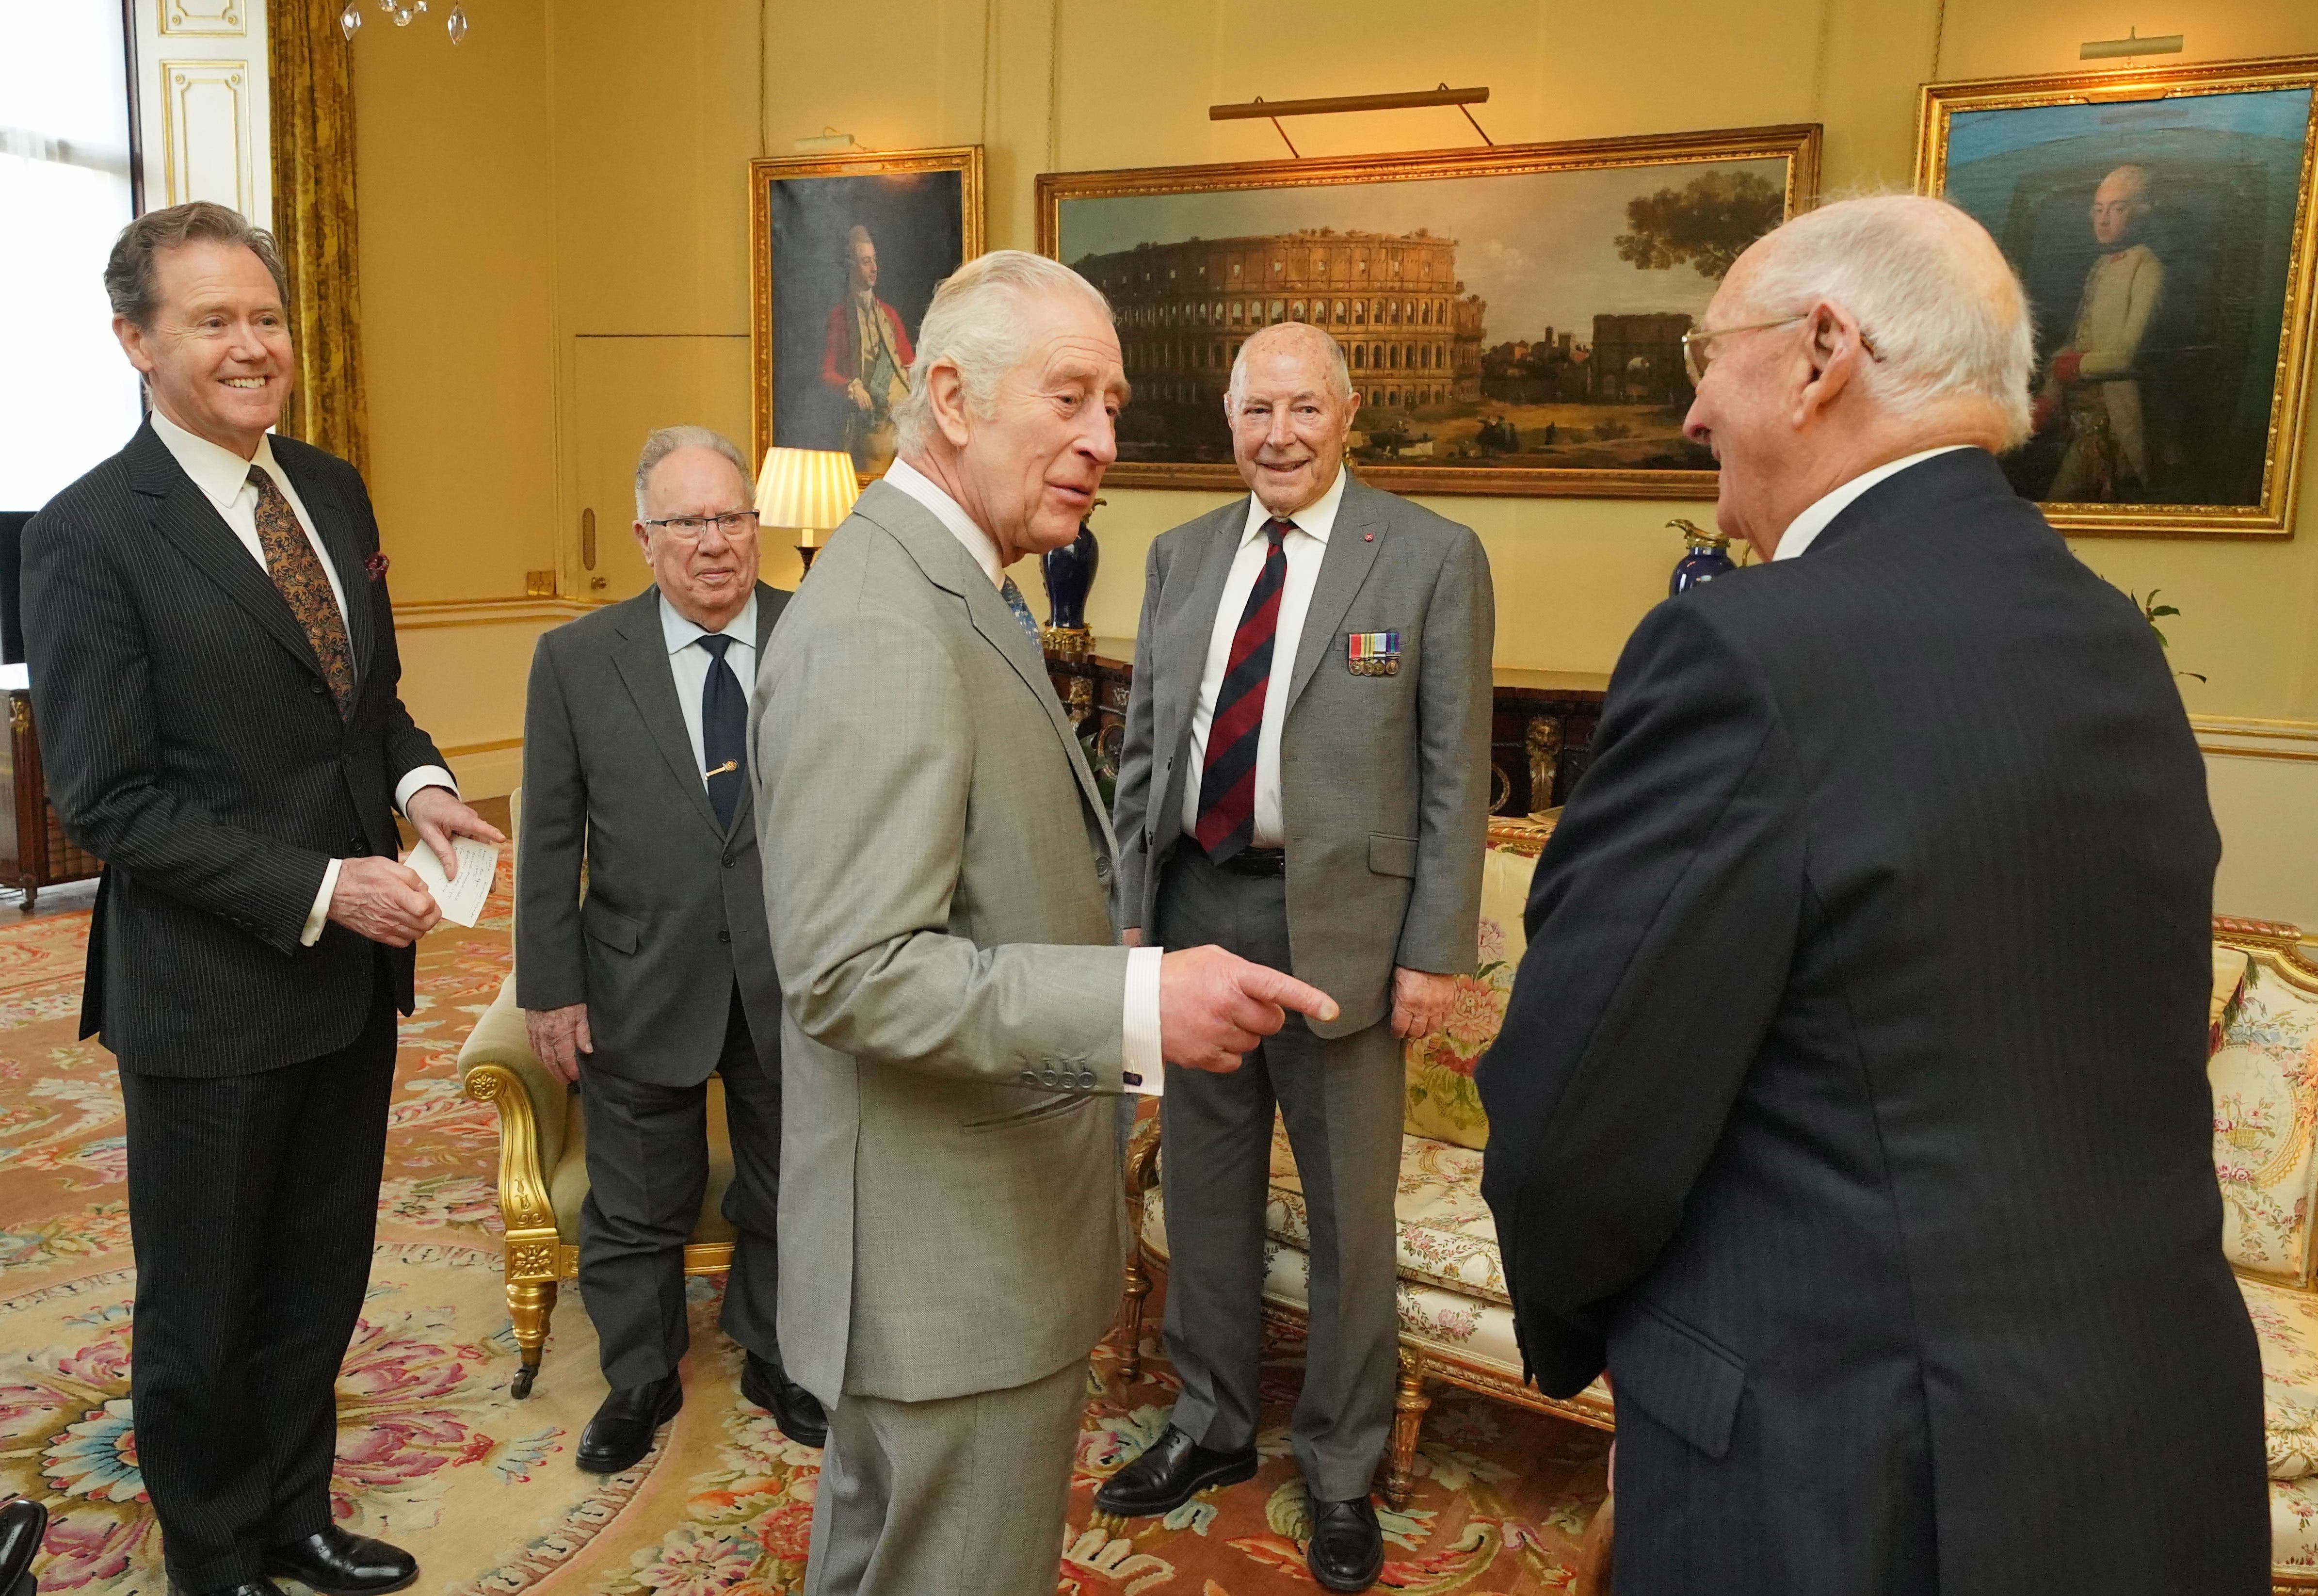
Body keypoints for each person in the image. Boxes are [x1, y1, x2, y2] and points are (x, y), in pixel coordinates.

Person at [1476, 193, 2265, 1594]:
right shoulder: (2105, 637)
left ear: (1824, 349)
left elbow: (1580, 1100)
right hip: (2144, 1440)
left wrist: (1623, 1350)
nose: (1692, 416)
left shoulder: (1747, 653)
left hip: (1843, 1466)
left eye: (1705, 359)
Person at [748, 249, 1341, 1596]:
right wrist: (1137, 1009)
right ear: (948, 397)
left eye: (1116, 406)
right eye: (1071, 398)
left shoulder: (963, 581)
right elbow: (854, 974)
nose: (1104, 443)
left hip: (974, 1254)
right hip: (944, 1278)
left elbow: (964, 881)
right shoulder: (885, 618)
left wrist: (1103, 953)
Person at [22, 201, 506, 1596]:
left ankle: (295, 1511)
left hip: (350, 981)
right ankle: (215, 1551)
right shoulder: (88, 535)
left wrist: (418, 788)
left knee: (316, 1277)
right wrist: (318, 887)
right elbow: (109, 804)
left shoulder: (334, 488)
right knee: (205, 1307)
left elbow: (370, 707)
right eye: (214, 322)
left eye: (267, 317)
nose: (255, 347)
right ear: (136, 341)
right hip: (210, 994)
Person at [1098, 321, 1494, 1593]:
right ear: (1230, 420)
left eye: (1302, 410)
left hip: (1350, 941)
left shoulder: (1430, 558)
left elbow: (1451, 779)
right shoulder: (1178, 557)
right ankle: (1211, 1423)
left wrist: (1433, 952)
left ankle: (1338, 1465)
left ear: (1348, 412)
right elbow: (1145, 755)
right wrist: (1127, 917)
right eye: (1256, 411)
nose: (1278, 435)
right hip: (1200, 913)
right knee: (1206, 1195)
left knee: (1346, 1216)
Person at [514, 425, 822, 1474]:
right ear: (646, 537)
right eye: (685, 522)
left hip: (794, 978)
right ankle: (639, 1376)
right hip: (638, 973)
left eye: (729, 517)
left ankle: (777, 1353)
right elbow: (550, 839)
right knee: (635, 1199)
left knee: (790, 1183)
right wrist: (550, 992)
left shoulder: (818, 632)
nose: (712, 543)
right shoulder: (575, 660)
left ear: (754, 525)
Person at [2037, 164, 2165, 500]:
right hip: (2082, 424)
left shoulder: (2146, 267)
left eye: (2118, 209)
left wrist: (2075, 366)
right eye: (2098, 210)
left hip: (2114, 423)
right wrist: (2051, 394)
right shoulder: (2100, 267)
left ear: (2142, 213)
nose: (2104, 220)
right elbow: (2080, 338)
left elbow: (2126, 357)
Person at [819, 224, 916, 475]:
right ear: (852, 267)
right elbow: (827, 374)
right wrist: (853, 386)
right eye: (865, 262)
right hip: (866, 429)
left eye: (874, 260)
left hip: (897, 424)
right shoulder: (840, 317)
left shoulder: (889, 315)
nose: (874, 268)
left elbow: (910, 366)